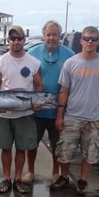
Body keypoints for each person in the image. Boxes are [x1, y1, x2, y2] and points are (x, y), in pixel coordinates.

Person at [55, 26, 99, 195]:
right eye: (87, 38)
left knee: (90, 153)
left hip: (94, 118)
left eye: (94, 39)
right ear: (81, 40)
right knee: (64, 151)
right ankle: (64, 176)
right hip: (72, 116)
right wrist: (59, 116)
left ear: (98, 42)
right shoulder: (71, 63)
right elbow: (64, 91)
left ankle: (82, 180)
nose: (90, 42)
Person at [0, 25, 42, 194]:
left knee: (21, 148)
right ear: (8, 41)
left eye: (19, 38)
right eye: (12, 38)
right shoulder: (0, 62)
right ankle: (6, 178)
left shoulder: (34, 63)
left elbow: (38, 87)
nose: (16, 41)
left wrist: (37, 103)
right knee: (6, 148)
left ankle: (18, 179)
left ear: (24, 40)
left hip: (25, 113)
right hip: (5, 114)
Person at [24, 20, 74, 186]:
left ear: (60, 36)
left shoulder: (70, 55)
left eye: (55, 35)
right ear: (43, 36)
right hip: (36, 109)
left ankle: (55, 172)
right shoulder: (32, 52)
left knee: (56, 144)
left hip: (58, 111)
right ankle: (30, 171)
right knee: (32, 143)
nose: (51, 38)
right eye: (48, 35)